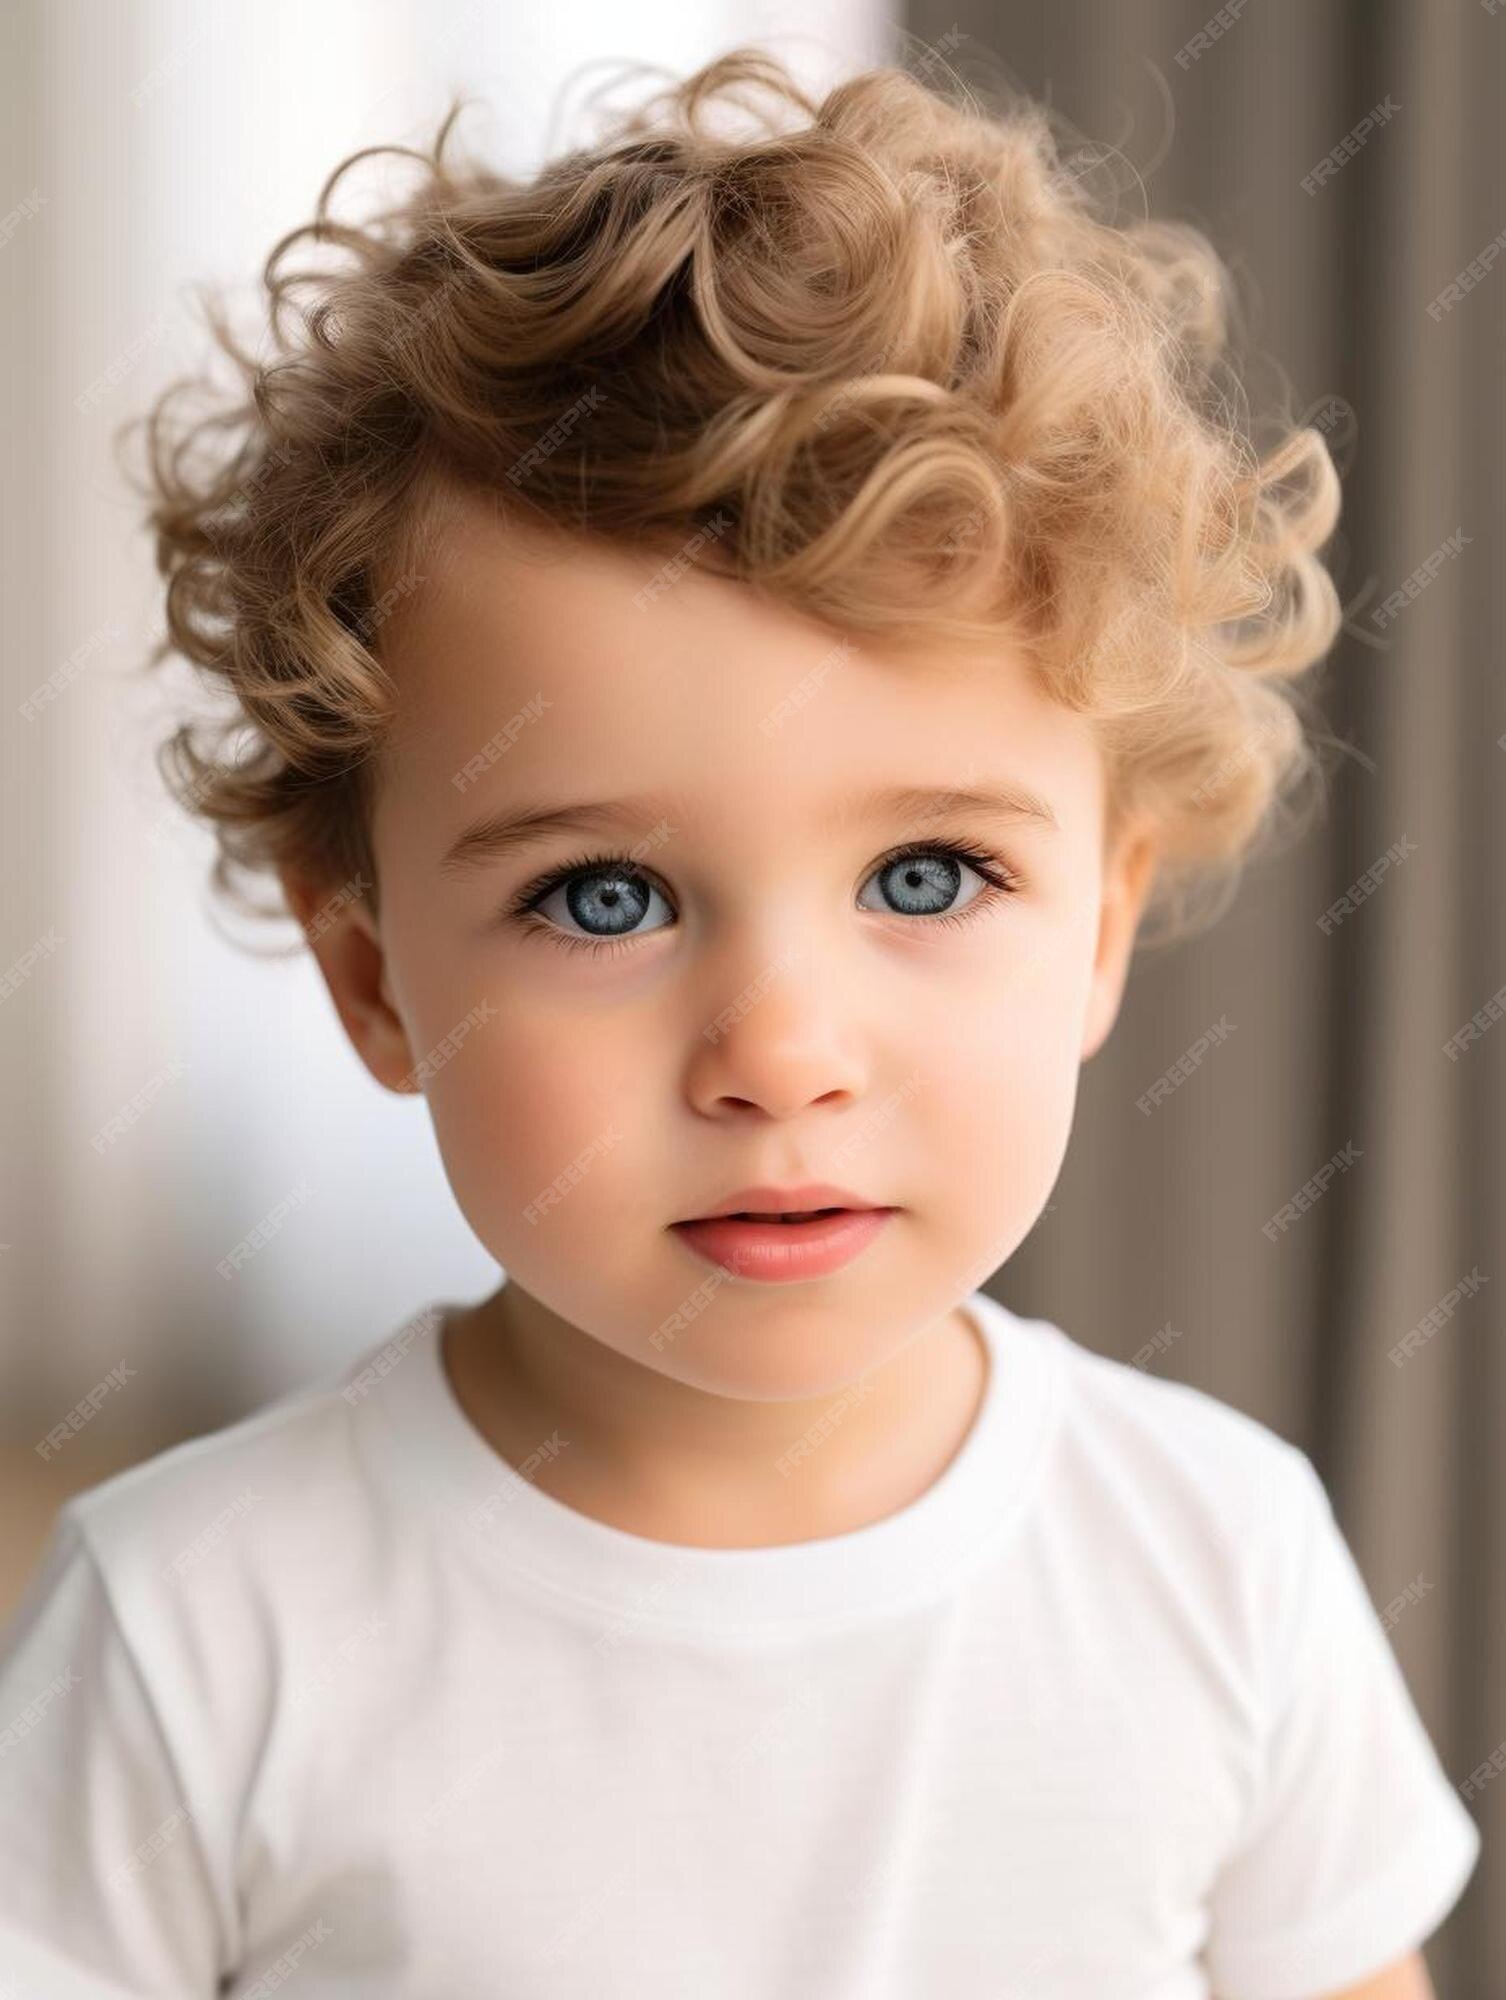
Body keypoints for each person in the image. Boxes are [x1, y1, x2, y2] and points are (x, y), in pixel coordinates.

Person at [0, 43, 1478, 1999]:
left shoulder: (1221, 1561)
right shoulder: (194, 1624)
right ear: (371, 976)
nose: (781, 1055)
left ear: (1104, 929)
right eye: (602, 897)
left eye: (929, 877)